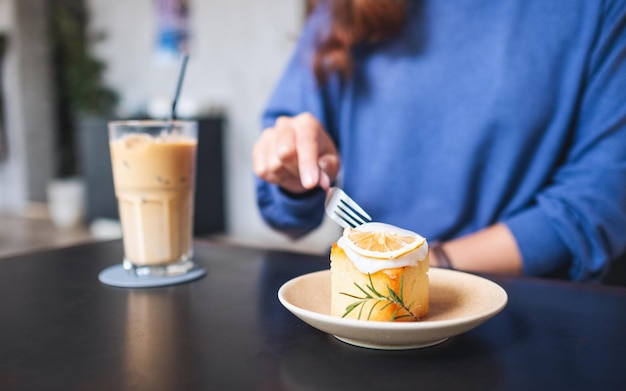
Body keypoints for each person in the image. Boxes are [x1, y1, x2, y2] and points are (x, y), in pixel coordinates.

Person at [252, 0, 626, 283]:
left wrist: (424, 265)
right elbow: (282, 210)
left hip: (523, 308)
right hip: (364, 299)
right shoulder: (344, 9)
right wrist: (293, 175)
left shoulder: (596, 10)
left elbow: (598, 201)